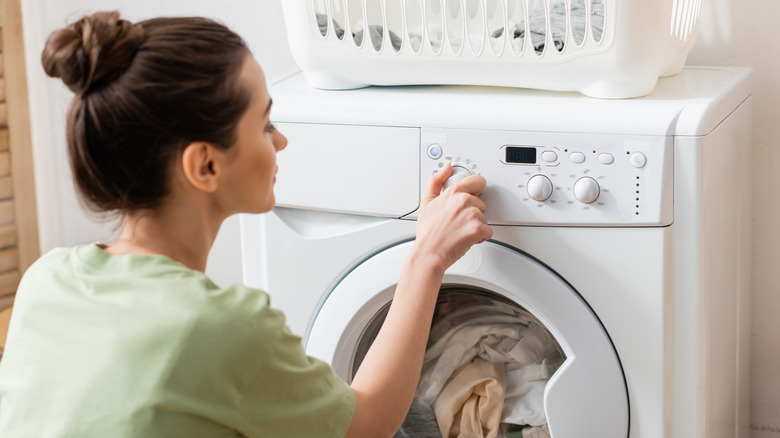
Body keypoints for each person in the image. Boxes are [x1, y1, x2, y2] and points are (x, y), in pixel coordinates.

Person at [0, 11, 492, 438]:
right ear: (205, 166)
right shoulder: (220, 327)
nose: (280, 142)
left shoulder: (46, 279)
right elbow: (366, 426)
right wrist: (426, 258)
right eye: (263, 125)